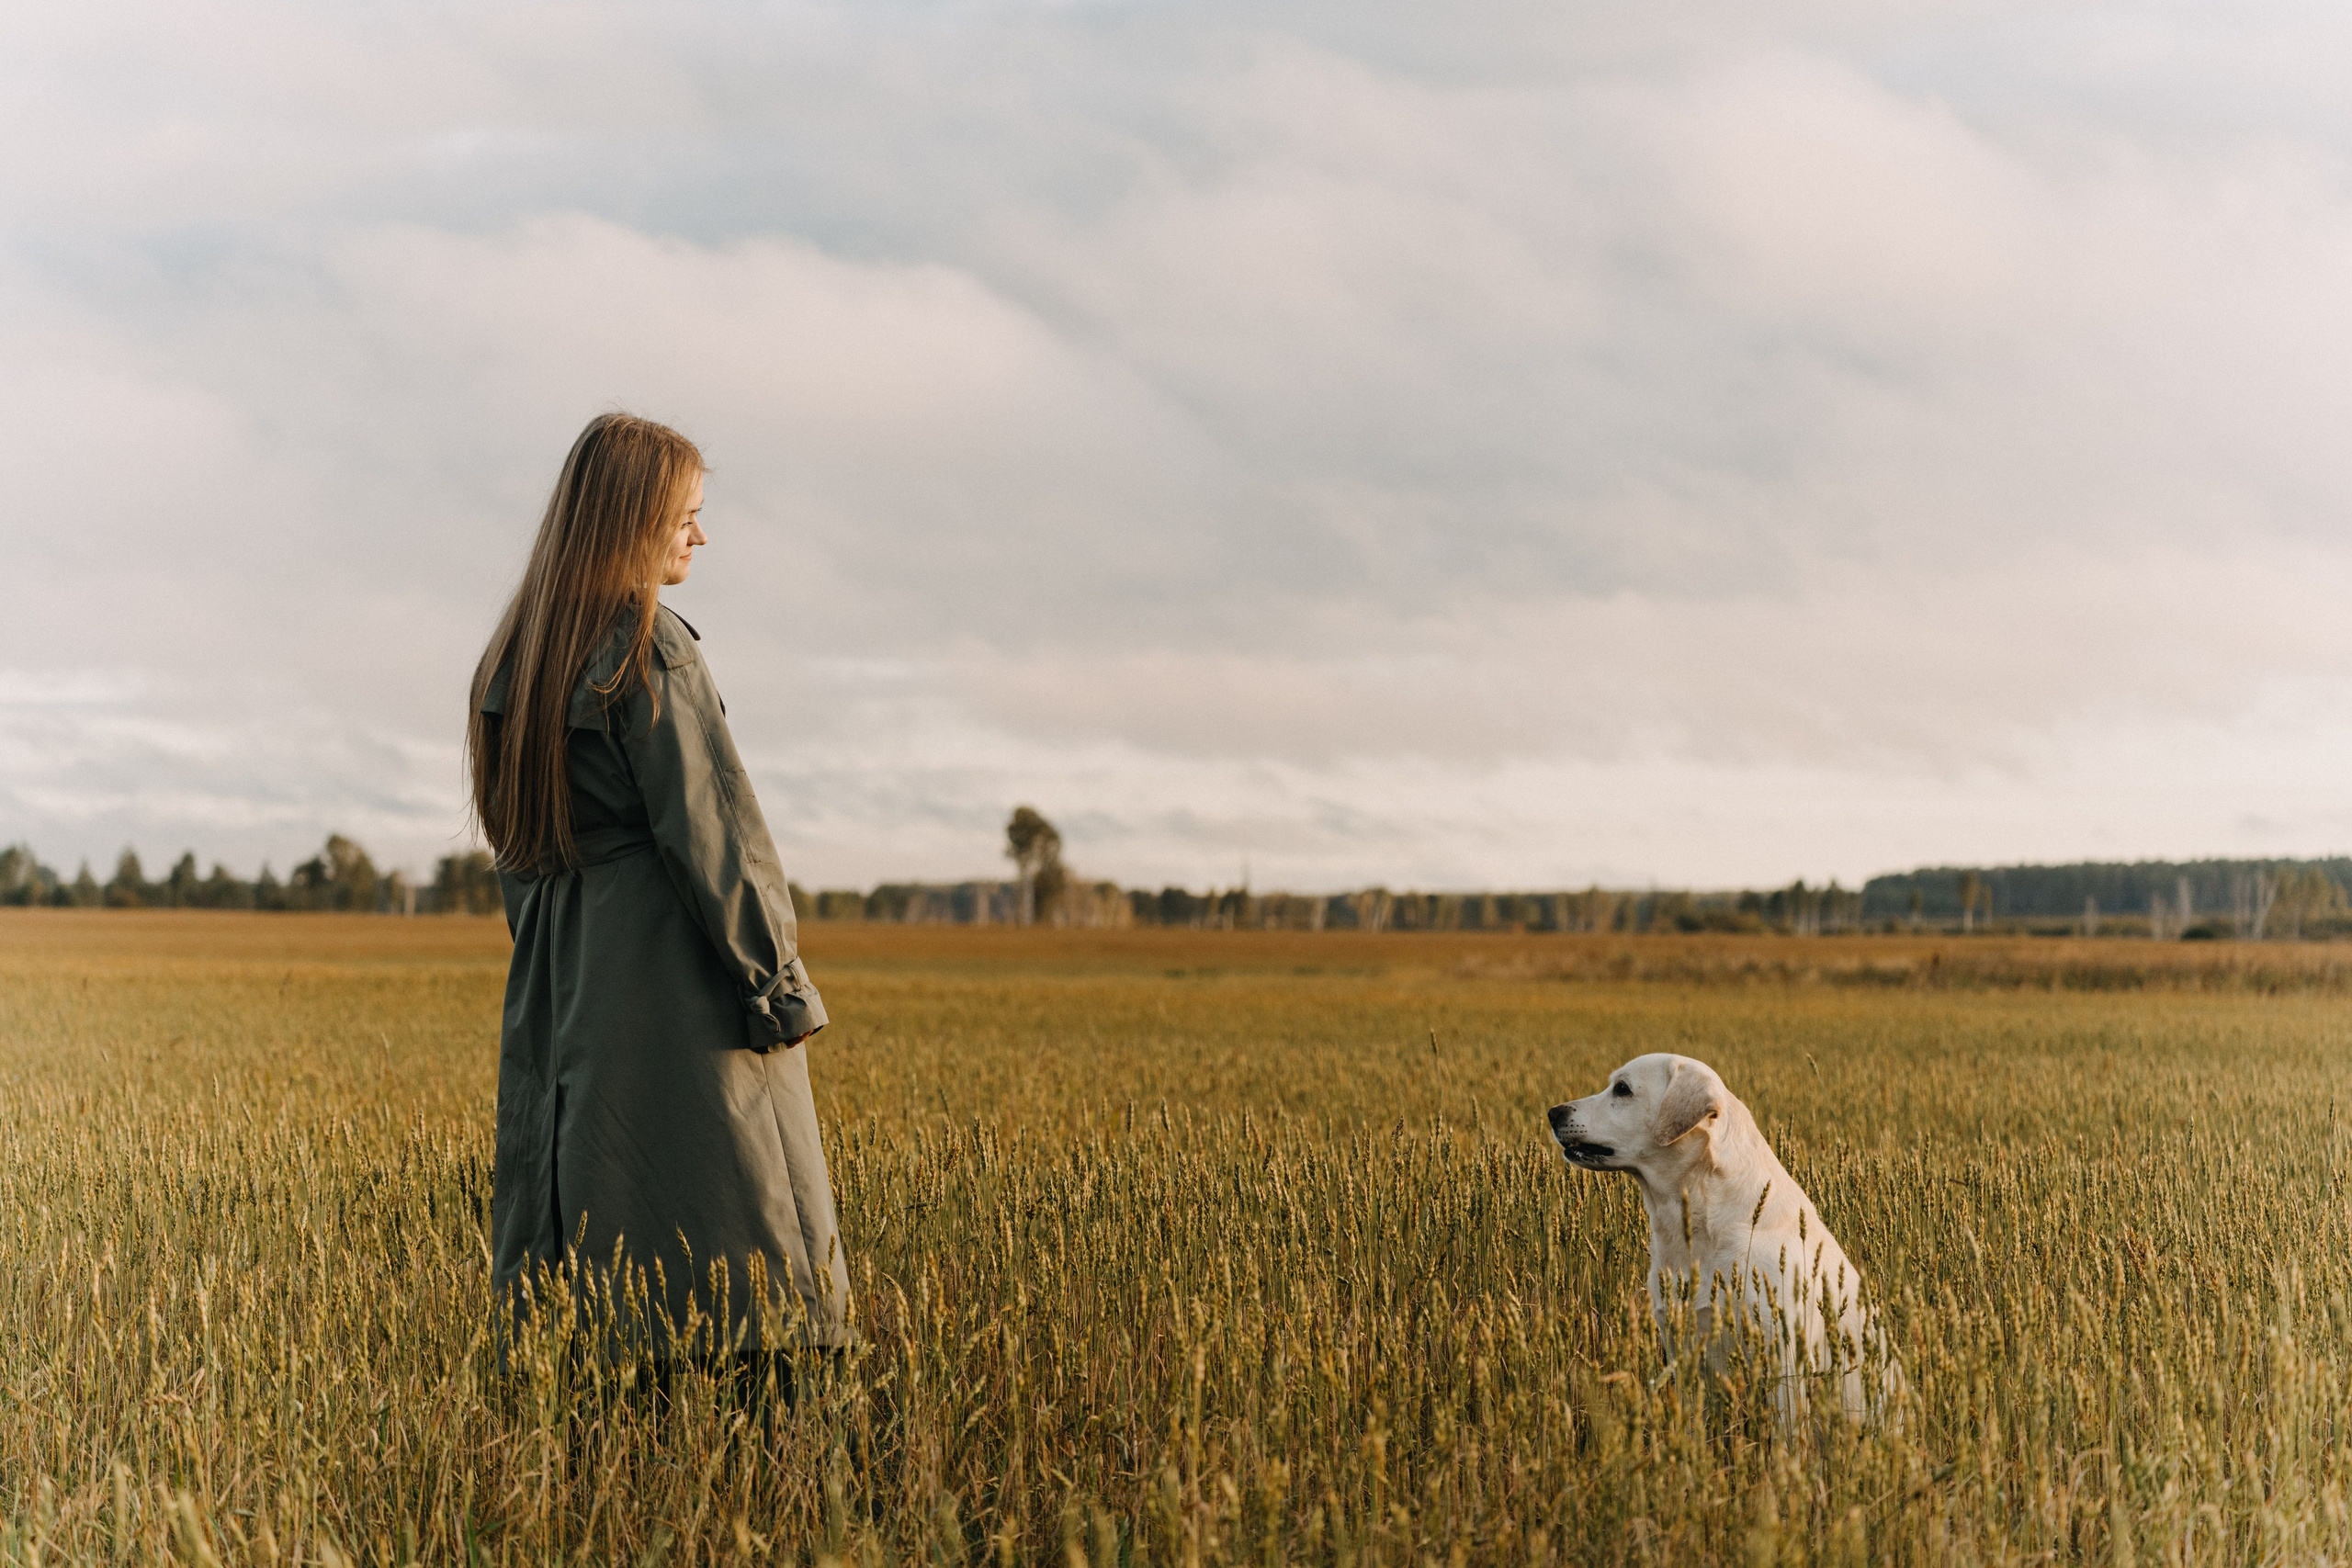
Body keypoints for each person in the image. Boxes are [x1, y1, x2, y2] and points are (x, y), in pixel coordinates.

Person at [467, 412, 849, 1383]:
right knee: (749, 1233)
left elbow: (518, 861)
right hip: (678, 982)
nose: (701, 536)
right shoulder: (650, 644)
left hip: (561, 989)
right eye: (686, 516)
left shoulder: (511, 660)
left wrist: (567, 959)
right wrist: (776, 988)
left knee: (595, 1244)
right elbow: (717, 835)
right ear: (632, 518)